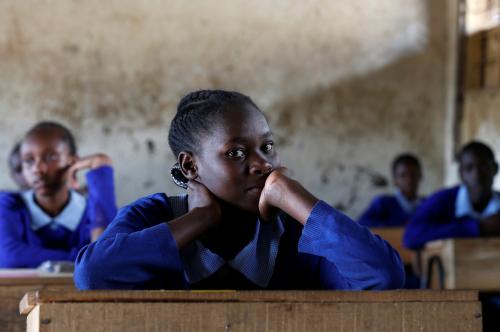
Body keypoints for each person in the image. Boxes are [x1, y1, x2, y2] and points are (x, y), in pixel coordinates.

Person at [74, 90, 404, 290]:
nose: (262, 164)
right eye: (236, 152)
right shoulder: (152, 217)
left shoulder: (294, 233)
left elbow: (382, 276)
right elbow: (93, 274)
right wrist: (200, 218)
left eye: (268, 147)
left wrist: (299, 200)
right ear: (190, 166)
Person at [0, 121, 117, 268]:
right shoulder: (9, 204)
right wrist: (87, 258)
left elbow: (109, 257)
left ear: (72, 162)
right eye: (29, 161)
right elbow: (8, 257)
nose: (37, 169)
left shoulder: (93, 210)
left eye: (50, 158)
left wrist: (100, 165)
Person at [403, 141, 500, 250]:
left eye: (483, 166)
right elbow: (411, 237)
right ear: (461, 174)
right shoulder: (442, 200)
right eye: (469, 168)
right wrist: (478, 227)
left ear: (495, 168)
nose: (476, 174)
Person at [358, 153, 423, 227]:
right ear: (395, 180)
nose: (409, 180)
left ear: (420, 176)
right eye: (403, 175)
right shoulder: (382, 203)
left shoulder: (428, 204)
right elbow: (362, 225)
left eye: (413, 174)